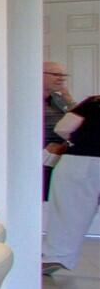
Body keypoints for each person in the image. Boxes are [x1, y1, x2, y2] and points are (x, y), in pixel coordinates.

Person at [43, 91, 100, 278]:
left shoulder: (93, 102)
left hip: (80, 160)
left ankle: (56, 256)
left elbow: (63, 128)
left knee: (68, 212)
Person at [44, 61, 74, 199]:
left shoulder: (58, 98)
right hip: (41, 156)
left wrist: (68, 98)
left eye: (63, 75)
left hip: (59, 156)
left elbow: (81, 120)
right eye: (56, 74)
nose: (61, 78)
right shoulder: (28, 98)